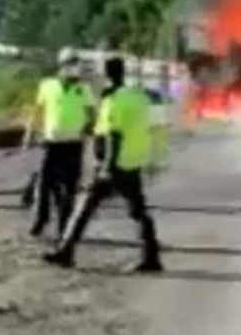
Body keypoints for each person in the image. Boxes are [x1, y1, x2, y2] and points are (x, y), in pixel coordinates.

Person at [44, 54, 163, 273]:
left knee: (84, 207)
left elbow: (113, 135)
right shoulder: (137, 96)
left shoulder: (113, 100)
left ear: (107, 75)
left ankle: (65, 251)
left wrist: (107, 167)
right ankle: (152, 256)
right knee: (138, 210)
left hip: (114, 164)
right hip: (133, 159)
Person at [22, 48, 95, 239]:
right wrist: (29, 133)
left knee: (69, 189)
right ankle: (41, 218)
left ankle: (64, 227)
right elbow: (37, 111)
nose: (74, 69)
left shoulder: (83, 89)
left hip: (73, 144)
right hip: (52, 142)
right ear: (61, 66)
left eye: (76, 65)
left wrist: (88, 129)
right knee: (44, 183)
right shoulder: (47, 85)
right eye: (71, 64)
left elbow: (91, 114)